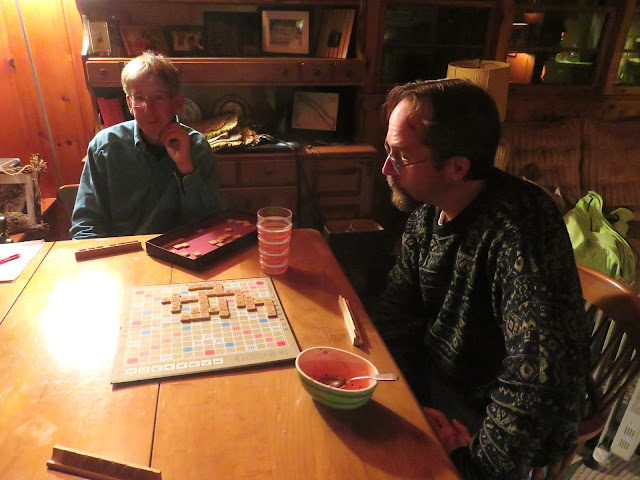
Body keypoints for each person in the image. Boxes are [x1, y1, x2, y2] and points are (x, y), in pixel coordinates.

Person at [374, 78, 589, 479]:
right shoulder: (426, 216)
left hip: (496, 419)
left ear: (456, 168)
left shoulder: (521, 229)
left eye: (401, 156)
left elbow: (538, 378)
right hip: (444, 388)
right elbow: (395, 317)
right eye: (388, 150)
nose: (386, 168)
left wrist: (467, 467)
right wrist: (413, 401)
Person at [71, 52, 221, 239]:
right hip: (123, 252)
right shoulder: (104, 147)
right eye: (140, 98)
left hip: (181, 250)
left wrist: (186, 169)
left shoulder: (197, 147)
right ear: (129, 104)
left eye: (158, 98)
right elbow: (85, 226)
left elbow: (210, 225)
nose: (149, 110)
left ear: (177, 103)